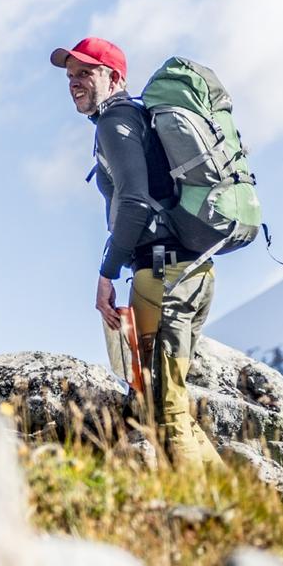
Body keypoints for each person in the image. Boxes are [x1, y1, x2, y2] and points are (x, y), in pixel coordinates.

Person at [50, 37, 222, 468]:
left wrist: (106, 273)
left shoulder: (116, 121)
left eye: (86, 73)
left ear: (115, 78)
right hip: (189, 271)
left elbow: (133, 202)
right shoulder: (138, 119)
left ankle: (205, 521)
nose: (74, 82)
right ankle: (235, 500)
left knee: (162, 409)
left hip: (163, 275)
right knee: (162, 400)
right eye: (70, 75)